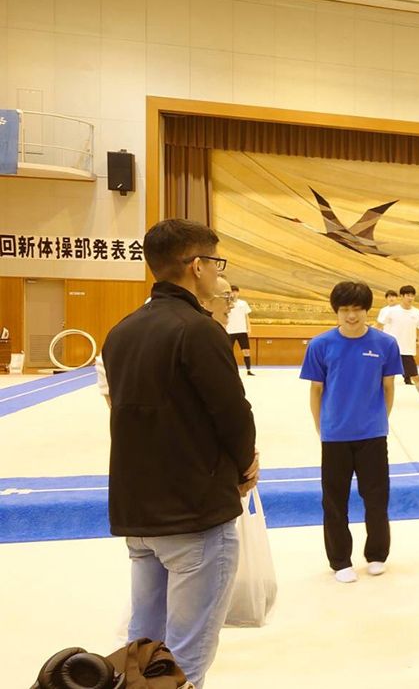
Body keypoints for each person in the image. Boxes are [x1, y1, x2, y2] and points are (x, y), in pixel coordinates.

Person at [102, 218, 258, 689]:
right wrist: (244, 466)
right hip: (193, 513)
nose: (217, 273)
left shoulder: (121, 331)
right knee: (183, 659)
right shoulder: (198, 329)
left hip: (139, 512)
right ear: (196, 266)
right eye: (215, 263)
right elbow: (233, 414)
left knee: (141, 650)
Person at [301, 281, 403, 583]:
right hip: (335, 436)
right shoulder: (321, 345)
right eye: (345, 310)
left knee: (376, 498)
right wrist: (323, 426)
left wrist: (378, 420)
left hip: (372, 435)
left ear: (366, 310)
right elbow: (316, 391)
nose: (351, 316)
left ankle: (376, 555)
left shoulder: (385, 344)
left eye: (357, 309)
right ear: (337, 311)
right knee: (334, 501)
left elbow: (388, 387)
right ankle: (340, 560)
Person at [97, 275, 234, 409]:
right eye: (227, 298)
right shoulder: (194, 332)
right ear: (202, 299)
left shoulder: (124, 329)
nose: (232, 305)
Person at [378, 285, 419, 407]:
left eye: (412, 295)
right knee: (385, 377)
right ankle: (377, 400)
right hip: (391, 349)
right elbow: (378, 326)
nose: (410, 298)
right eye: (408, 295)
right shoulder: (391, 311)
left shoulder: (417, 313)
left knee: (415, 376)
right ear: (401, 296)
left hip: (407, 350)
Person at [226, 285, 254, 375]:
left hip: (242, 330)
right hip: (230, 331)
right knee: (228, 351)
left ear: (238, 293)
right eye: (232, 291)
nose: (234, 293)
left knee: (246, 350)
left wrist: (248, 328)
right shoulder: (227, 303)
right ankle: (230, 370)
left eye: (235, 291)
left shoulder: (243, 303)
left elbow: (246, 316)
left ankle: (248, 370)